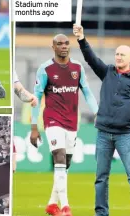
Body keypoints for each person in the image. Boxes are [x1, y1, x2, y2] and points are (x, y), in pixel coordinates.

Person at [73, 24, 130, 216]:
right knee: (101, 178)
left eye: (122, 55)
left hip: (125, 135)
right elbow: (91, 59)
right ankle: (101, 213)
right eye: (117, 54)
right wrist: (82, 39)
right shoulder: (107, 72)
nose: (118, 57)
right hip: (103, 134)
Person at [29, 34, 99, 216]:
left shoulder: (77, 68)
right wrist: (34, 127)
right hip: (52, 119)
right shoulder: (45, 69)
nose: (64, 46)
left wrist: (97, 112)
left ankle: (52, 204)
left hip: (71, 121)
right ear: (53, 47)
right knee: (59, 157)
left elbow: (88, 93)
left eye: (66, 43)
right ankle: (66, 207)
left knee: (65, 164)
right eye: (59, 44)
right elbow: (35, 98)